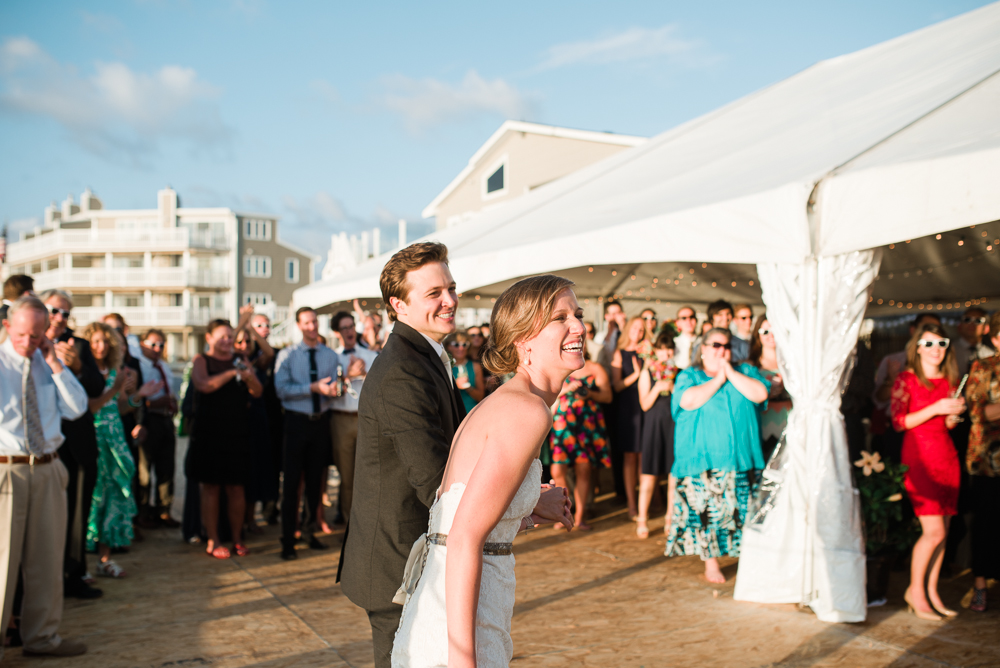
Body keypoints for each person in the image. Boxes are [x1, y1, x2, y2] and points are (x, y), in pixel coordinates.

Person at [391, 275, 577, 668]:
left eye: (576, 314)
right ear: (523, 340)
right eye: (560, 318)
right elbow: (462, 539)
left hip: (453, 605)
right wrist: (463, 660)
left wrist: (526, 513)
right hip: (461, 623)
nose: (578, 326)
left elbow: (463, 518)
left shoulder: (508, 402)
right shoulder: (526, 410)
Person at [339, 242, 467, 668]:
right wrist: (518, 505)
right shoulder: (402, 370)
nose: (449, 300)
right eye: (434, 293)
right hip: (398, 564)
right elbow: (435, 482)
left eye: (450, 288)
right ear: (398, 305)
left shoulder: (425, 354)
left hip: (416, 554)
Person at [0, 296, 89, 658]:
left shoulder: (48, 363)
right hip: (7, 471)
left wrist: (54, 363)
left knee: (47, 560)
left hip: (49, 467)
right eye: (22, 335)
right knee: (2, 563)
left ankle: (42, 638)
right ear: (7, 327)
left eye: (36, 336)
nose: (28, 343)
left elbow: (78, 408)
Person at [666, 327, 768, 583]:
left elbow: (761, 394)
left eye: (726, 346)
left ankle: (747, 560)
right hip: (702, 460)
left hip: (742, 459)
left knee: (743, 513)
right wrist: (718, 380)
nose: (721, 350)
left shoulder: (745, 371)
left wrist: (730, 373)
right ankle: (710, 563)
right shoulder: (689, 375)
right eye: (716, 345)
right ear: (703, 347)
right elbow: (687, 401)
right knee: (706, 514)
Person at [890, 322, 966, 620]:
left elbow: (946, 425)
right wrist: (936, 408)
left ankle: (931, 592)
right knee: (932, 531)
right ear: (917, 348)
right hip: (919, 457)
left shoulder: (950, 381)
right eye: (929, 344)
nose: (936, 350)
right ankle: (915, 592)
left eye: (941, 343)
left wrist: (953, 415)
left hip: (947, 456)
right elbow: (899, 422)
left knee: (943, 533)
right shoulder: (906, 379)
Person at [81, 322, 160, 577]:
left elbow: (123, 407)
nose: (100, 346)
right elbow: (90, 408)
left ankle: (105, 559)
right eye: (94, 341)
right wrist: (114, 390)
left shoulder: (117, 370)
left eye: (105, 341)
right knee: (90, 498)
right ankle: (80, 563)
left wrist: (140, 395)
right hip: (91, 439)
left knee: (114, 495)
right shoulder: (81, 371)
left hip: (115, 439)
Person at [41, 289, 105, 600]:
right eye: (53, 310)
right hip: (38, 448)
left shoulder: (77, 346)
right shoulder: (22, 343)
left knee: (77, 513)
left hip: (77, 445)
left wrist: (77, 367)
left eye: (65, 313)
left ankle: (74, 574)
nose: (59, 318)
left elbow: (97, 387)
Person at [188, 319, 263, 559]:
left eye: (230, 336)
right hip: (208, 433)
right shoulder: (201, 360)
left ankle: (238, 538)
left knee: (236, 488)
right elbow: (203, 385)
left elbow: (258, 391)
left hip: (237, 432)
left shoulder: (241, 359)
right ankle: (213, 539)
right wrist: (232, 373)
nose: (227, 341)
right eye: (221, 336)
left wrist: (247, 375)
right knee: (210, 487)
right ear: (208, 338)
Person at [274, 307, 341, 560]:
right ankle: (288, 540)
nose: (311, 326)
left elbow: (337, 388)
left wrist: (336, 390)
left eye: (314, 322)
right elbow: (281, 390)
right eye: (306, 323)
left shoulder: (330, 356)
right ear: (299, 326)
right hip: (296, 423)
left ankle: (311, 531)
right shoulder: (287, 355)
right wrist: (312, 387)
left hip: (321, 423)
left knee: (316, 483)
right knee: (291, 484)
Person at [548, 339, 612, 531]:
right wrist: (566, 390)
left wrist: (589, 395)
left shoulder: (595, 368)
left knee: (583, 470)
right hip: (562, 425)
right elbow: (547, 395)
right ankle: (564, 514)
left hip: (586, 425)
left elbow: (607, 396)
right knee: (557, 471)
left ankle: (580, 516)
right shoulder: (556, 367)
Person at [872, 313, 942, 461]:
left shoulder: (942, 365)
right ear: (913, 330)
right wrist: (891, 380)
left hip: (935, 434)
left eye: (936, 328)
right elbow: (878, 399)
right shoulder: (893, 360)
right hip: (900, 430)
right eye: (925, 327)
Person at [966, 311, 1000, 613]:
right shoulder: (983, 367)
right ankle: (979, 586)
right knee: (986, 524)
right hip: (990, 461)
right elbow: (979, 413)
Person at [329, 310, 377, 525]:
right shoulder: (332, 358)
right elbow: (330, 391)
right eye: (344, 328)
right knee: (346, 475)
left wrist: (366, 375)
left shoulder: (370, 356)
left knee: (368, 475)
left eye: (351, 326)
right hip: (340, 419)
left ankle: (368, 523)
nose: (349, 331)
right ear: (337, 332)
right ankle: (350, 525)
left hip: (366, 419)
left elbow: (381, 388)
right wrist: (349, 376)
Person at [233, 313, 275, 535]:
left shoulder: (256, 361)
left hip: (258, 420)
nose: (243, 345)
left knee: (256, 472)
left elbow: (269, 352)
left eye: (247, 341)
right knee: (242, 474)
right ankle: (240, 522)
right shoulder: (231, 362)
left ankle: (250, 519)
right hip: (238, 423)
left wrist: (251, 330)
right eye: (239, 341)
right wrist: (242, 325)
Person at [636, 330, 677, 540]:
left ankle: (670, 517)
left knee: (673, 476)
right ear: (656, 351)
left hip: (673, 425)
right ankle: (642, 518)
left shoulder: (679, 372)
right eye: (663, 349)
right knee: (649, 475)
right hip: (653, 426)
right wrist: (658, 387)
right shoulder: (648, 372)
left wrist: (673, 388)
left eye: (670, 349)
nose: (666, 353)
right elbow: (644, 405)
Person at [137, 328, 179, 529]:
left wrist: (172, 403)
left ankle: (164, 511)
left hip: (165, 420)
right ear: (142, 344)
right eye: (152, 344)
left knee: (167, 468)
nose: (157, 349)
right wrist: (154, 403)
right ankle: (143, 513)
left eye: (161, 345)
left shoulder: (163, 366)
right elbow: (137, 399)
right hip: (148, 419)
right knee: (144, 470)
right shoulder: (139, 367)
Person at [611, 316, 647, 519]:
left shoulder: (647, 352)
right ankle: (631, 504)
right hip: (628, 408)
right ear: (628, 330)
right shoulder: (619, 353)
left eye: (642, 329)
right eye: (635, 328)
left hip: (645, 405)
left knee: (644, 456)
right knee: (630, 457)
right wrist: (636, 375)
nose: (638, 332)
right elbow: (616, 386)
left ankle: (645, 502)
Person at [748, 314, 793, 463]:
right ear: (757, 335)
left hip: (790, 427)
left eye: (774, 330)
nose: (770, 335)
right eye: (765, 332)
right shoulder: (750, 367)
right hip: (761, 428)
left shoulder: (793, 364)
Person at [444, 331, 485, 413]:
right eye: (456, 345)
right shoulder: (444, 366)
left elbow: (481, 396)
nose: (461, 348)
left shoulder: (475, 366)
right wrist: (456, 386)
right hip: (453, 415)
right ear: (449, 347)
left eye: (464, 345)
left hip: (472, 413)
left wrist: (468, 387)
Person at [955, 307, 990, 374]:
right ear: (959, 325)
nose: (972, 324)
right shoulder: (948, 351)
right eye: (967, 319)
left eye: (978, 320)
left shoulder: (990, 354)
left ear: (986, 328)